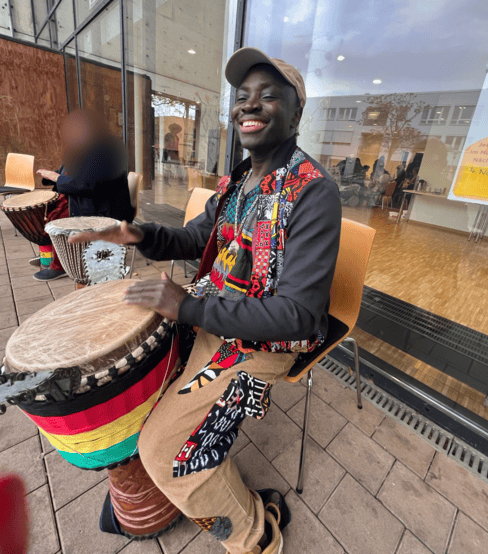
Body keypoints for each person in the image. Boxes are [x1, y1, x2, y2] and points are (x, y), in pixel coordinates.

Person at [70, 47, 341, 554]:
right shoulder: (239, 179)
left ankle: (254, 533)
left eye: (268, 96)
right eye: (242, 98)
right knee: (132, 377)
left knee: (163, 450)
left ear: (297, 113)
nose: (250, 106)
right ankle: (204, 480)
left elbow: (299, 315)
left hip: (261, 344)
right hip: (213, 318)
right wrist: (136, 233)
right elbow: (195, 237)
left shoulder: (314, 193)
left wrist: (187, 306)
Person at [34, 109, 134, 281]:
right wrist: (51, 177)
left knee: (57, 219)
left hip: (104, 211)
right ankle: (60, 257)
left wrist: (58, 179)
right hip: (90, 204)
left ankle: (61, 263)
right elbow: (66, 172)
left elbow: (88, 186)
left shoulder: (104, 150)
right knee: (50, 213)